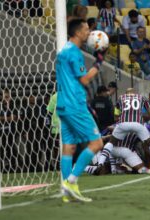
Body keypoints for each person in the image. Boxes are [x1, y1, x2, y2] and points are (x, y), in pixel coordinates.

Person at [56, 18, 104, 202]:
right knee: (96, 143)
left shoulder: (63, 51)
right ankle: (71, 180)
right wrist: (99, 62)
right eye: (85, 29)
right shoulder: (75, 53)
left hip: (63, 105)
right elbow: (84, 80)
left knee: (69, 147)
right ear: (77, 32)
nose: (88, 32)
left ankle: (68, 193)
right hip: (75, 104)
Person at [97, 88, 150, 173]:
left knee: (111, 142)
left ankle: (100, 163)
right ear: (135, 93)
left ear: (126, 93)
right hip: (138, 124)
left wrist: (122, 118)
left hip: (123, 123)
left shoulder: (120, 98)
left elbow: (115, 116)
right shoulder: (141, 97)